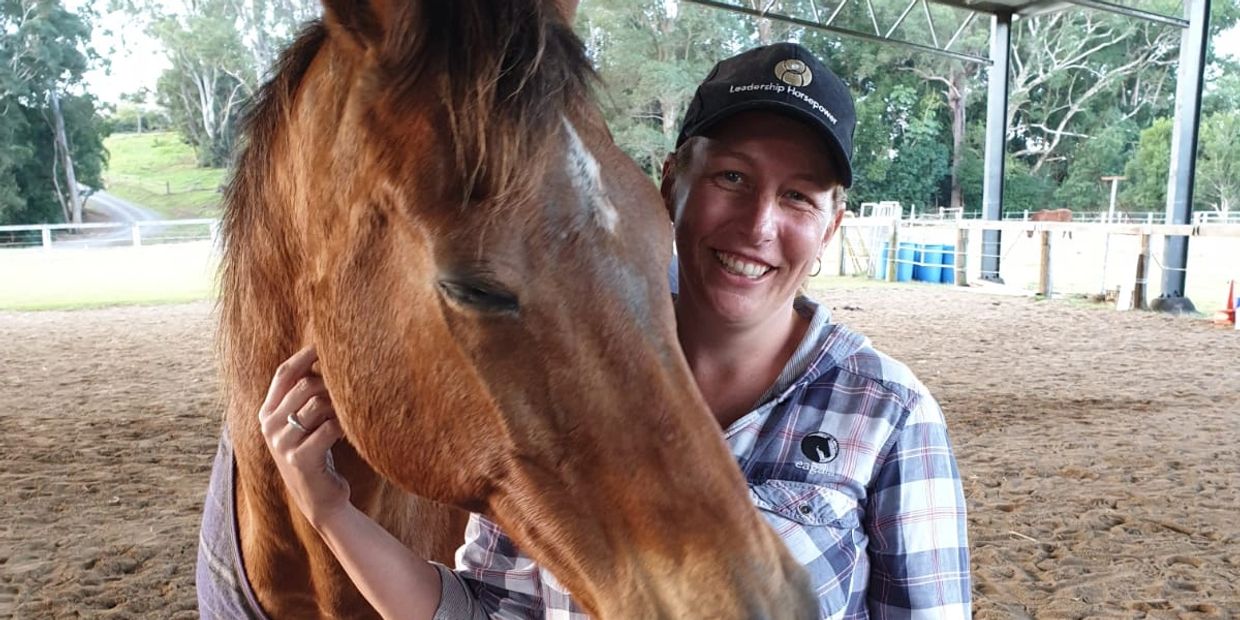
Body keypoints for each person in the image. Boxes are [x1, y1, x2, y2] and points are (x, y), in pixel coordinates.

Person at [259, 42, 971, 619]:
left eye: (798, 197)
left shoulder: (887, 414)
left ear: (830, 228)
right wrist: (329, 511)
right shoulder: (565, 361)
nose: (759, 225)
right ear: (669, 186)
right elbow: (490, 611)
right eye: (730, 177)